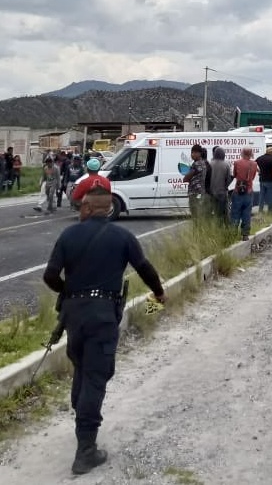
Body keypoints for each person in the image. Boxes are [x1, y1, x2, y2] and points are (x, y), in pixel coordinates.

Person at [42, 184, 166, 475]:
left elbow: (49, 276)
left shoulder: (69, 234)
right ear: (109, 208)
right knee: (96, 376)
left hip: (73, 314)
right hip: (103, 315)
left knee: (82, 368)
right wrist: (159, 294)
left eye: (80, 206)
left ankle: (81, 414)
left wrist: (69, 292)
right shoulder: (122, 236)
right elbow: (145, 268)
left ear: (87, 207)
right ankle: (85, 451)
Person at [231, 147, 258, 240]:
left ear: (242, 153)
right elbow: (253, 177)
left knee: (235, 213)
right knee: (247, 214)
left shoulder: (237, 162)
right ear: (250, 154)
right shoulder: (254, 164)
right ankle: (245, 235)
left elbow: (234, 174)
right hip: (249, 191)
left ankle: (233, 233)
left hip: (237, 191)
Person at [182, 144, 207, 219]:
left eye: (193, 153)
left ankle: (197, 229)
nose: (192, 155)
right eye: (191, 153)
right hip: (201, 192)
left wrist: (186, 177)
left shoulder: (196, 164)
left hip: (194, 193)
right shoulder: (204, 163)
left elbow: (186, 178)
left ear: (199, 153)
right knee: (200, 214)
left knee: (195, 214)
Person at [209, 147, 231, 224]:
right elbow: (228, 179)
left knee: (215, 211)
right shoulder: (226, 165)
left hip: (211, 192)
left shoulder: (209, 164)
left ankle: (217, 228)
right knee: (224, 212)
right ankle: (224, 228)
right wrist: (225, 187)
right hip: (222, 192)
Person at [256, 147, 272, 215]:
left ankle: (260, 210)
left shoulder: (260, 158)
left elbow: (254, 165)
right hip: (270, 180)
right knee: (270, 196)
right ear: (271, 152)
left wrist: (259, 171)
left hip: (262, 180)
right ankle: (270, 211)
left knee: (261, 196)